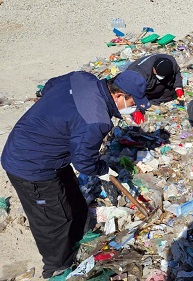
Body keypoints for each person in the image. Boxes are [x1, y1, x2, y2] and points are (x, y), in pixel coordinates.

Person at [1, 70, 149, 278]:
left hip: (47, 150)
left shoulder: (82, 78)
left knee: (73, 197)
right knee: (54, 219)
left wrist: (60, 118)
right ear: (118, 96)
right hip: (31, 165)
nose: (133, 108)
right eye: (132, 102)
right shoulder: (97, 119)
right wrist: (103, 170)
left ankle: (84, 232)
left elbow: (50, 86)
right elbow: (84, 162)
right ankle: (56, 267)